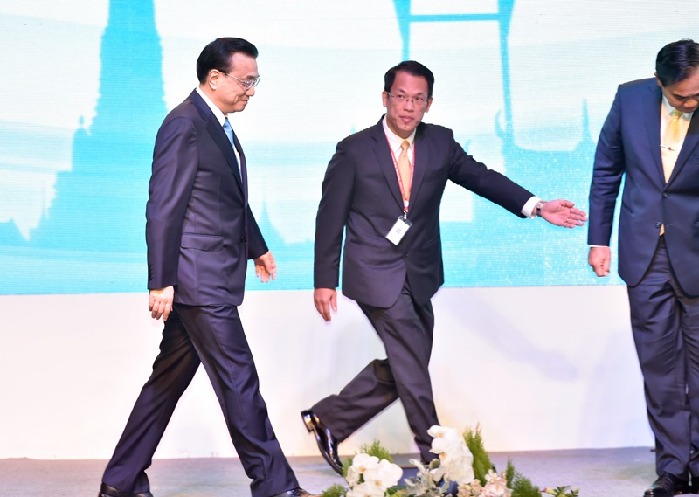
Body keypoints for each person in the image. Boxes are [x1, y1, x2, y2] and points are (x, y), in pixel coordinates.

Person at [301, 60, 587, 475]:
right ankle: (436, 459)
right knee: (412, 368)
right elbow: (330, 216)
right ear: (385, 98)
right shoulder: (354, 150)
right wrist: (324, 280)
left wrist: (537, 206)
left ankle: (329, 419)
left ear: (429, 104)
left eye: (418, 99)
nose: (408, 107)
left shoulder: (439, 143)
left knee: (409, 364)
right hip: (373, 272)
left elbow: (482, 178)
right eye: (401, 97)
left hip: (420, 273)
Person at [97, 38, 316, 497]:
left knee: (166, 384)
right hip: (199, 281)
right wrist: (161, 281)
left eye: (255, 81)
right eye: (245, 81)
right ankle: (276, 487)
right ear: (214, 78)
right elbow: (164, 207)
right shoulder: (184, 124)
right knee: (239, 380)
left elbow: (225, 196)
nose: (251, 91)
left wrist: (257, 247)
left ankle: (119, 482)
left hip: (207, 277)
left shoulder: (217, 124)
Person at [588, 38, 699, 497]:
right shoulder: (630, 98)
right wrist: (598, 239)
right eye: (682, 97)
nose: (692, 103)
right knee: (660, 368)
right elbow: (606, 170)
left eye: (697, 95)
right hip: (644, 253)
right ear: (659, 83)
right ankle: (673, 467)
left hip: (696, 251)